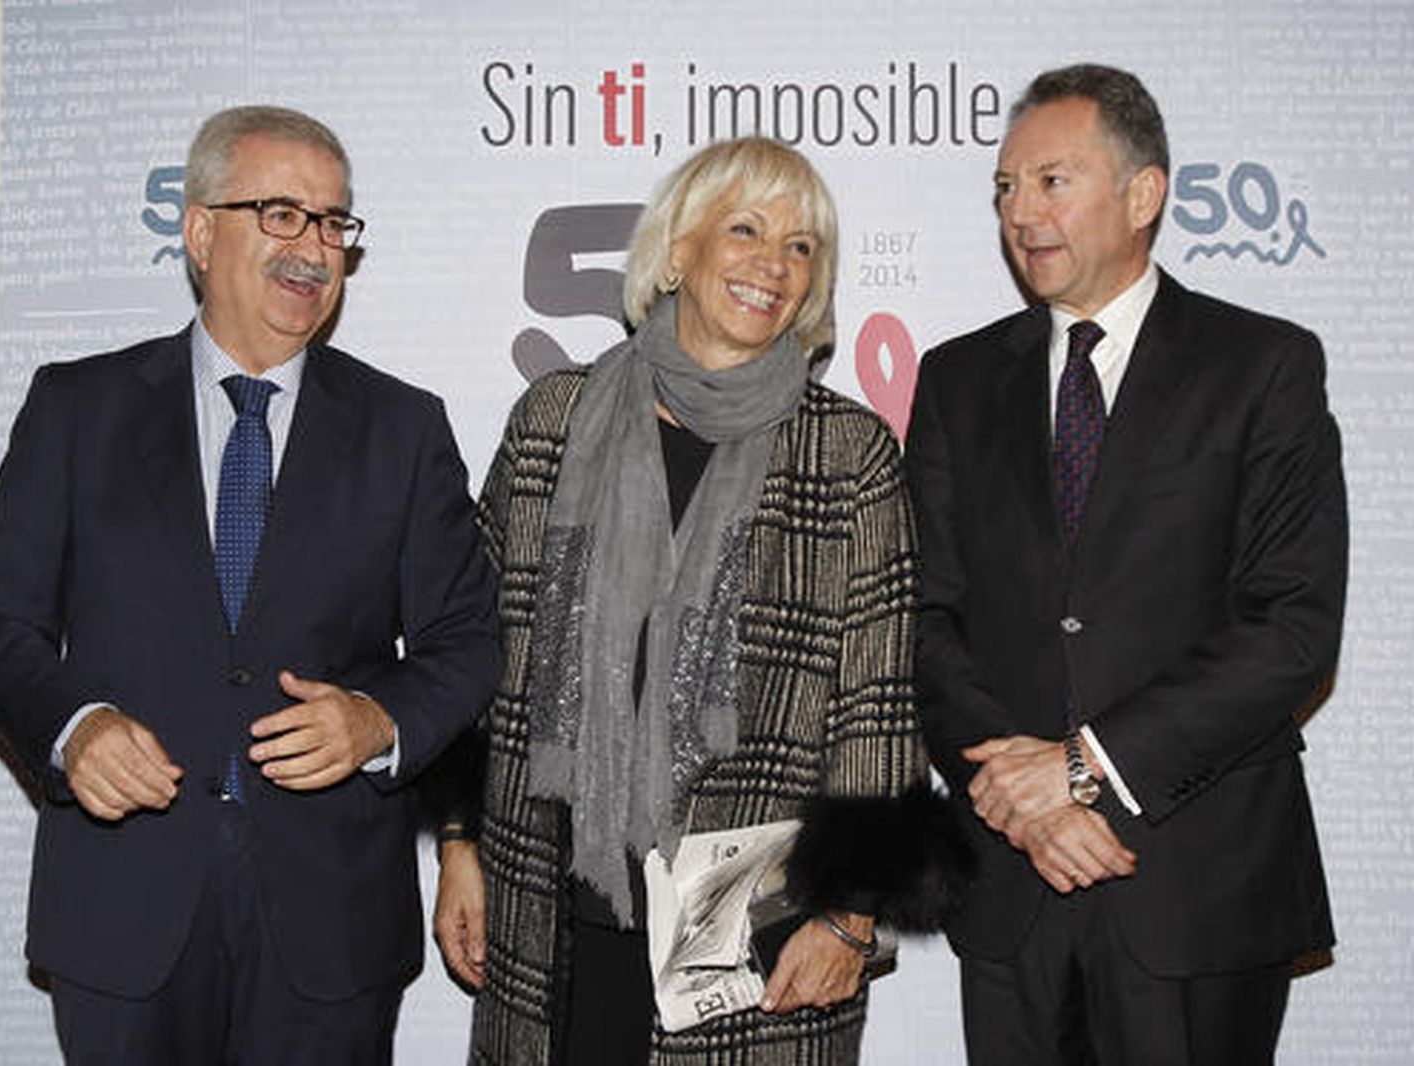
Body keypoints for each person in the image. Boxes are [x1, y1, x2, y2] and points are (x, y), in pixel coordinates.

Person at [0, 105, 500, 1064]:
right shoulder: (77, 409)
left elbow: (468, 643)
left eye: (333, 222)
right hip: (124, 915)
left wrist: (378, 719)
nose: (314, 248)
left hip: (330, 926)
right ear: (202, 233)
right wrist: (75, 728)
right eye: (281, 214)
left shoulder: (404, 430)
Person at [430, 136, 956, 1065]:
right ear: (677, 251)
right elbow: (479, 646)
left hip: (758, 943)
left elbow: (878, 704)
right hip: (547, 915)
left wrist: (850, 913)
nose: (774, 264)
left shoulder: (848, 453)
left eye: (801, 246)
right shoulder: (553, 419)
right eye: (746, 229)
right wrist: (460, 840)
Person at [906, 64, 1347, 1065]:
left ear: (1143, 194)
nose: (1021, 213)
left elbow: (1290, 630)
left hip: (1196, 885)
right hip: (1012, 886)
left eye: (1051, 182)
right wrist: (1021, 804)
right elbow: (925, 621)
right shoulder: (958, 378)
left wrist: (1080, 767)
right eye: (1006, 188)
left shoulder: (1263, 366)